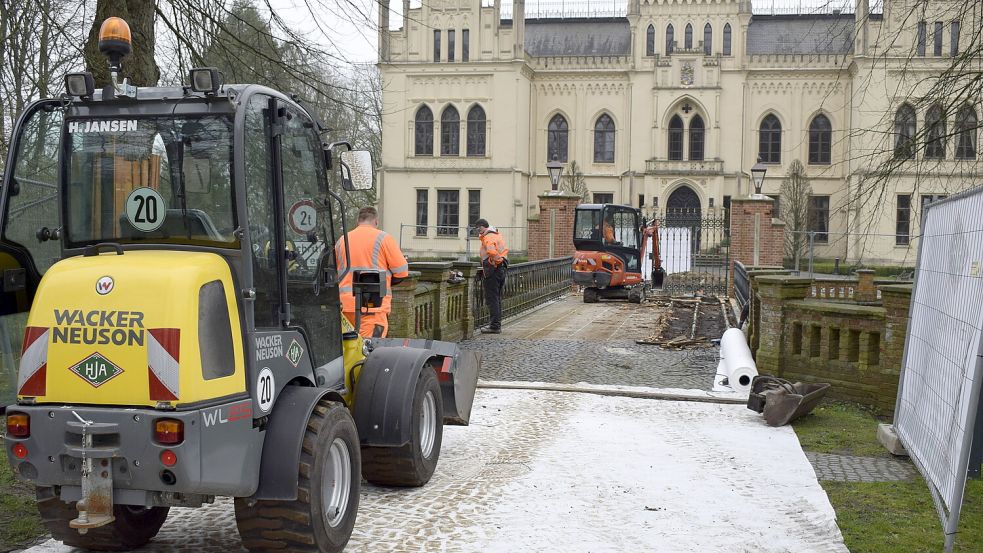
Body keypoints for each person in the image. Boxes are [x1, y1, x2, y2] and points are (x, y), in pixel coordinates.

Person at [335, 207, 409, 338]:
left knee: (348, 351)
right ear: (376, 221)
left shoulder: (342, 240)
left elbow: (334, 272)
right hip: (373, 307)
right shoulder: (383, 238)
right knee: (370, 351)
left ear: (358, 221)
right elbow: (402, 272)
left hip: (345, 308)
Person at [474, 218, 508, 334]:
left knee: (492, 299)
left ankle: (494, 326)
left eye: (478, 229)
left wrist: (496, 262)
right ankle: (496, 324)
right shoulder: (497, 235)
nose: (478, 231)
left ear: (482, 227)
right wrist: (500, 262)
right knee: (497, 298)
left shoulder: (488, 237)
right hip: (501, 269)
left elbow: (491, 251)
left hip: (493, 271)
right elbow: (503, 251)